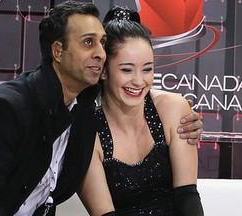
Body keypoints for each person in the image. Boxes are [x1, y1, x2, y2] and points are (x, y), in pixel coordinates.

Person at [0, 1, 202, 216]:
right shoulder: (9, 109)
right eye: (88, 42)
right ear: (58, 51)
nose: (100, 53)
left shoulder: (79, 112)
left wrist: (176, 111)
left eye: (102, 43)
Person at [78, 6, 204, 216]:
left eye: (147, 69)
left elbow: (188, 198)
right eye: (126, 69)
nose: (139, 81)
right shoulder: (88, 132)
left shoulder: (173, 109)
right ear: (103, 72)